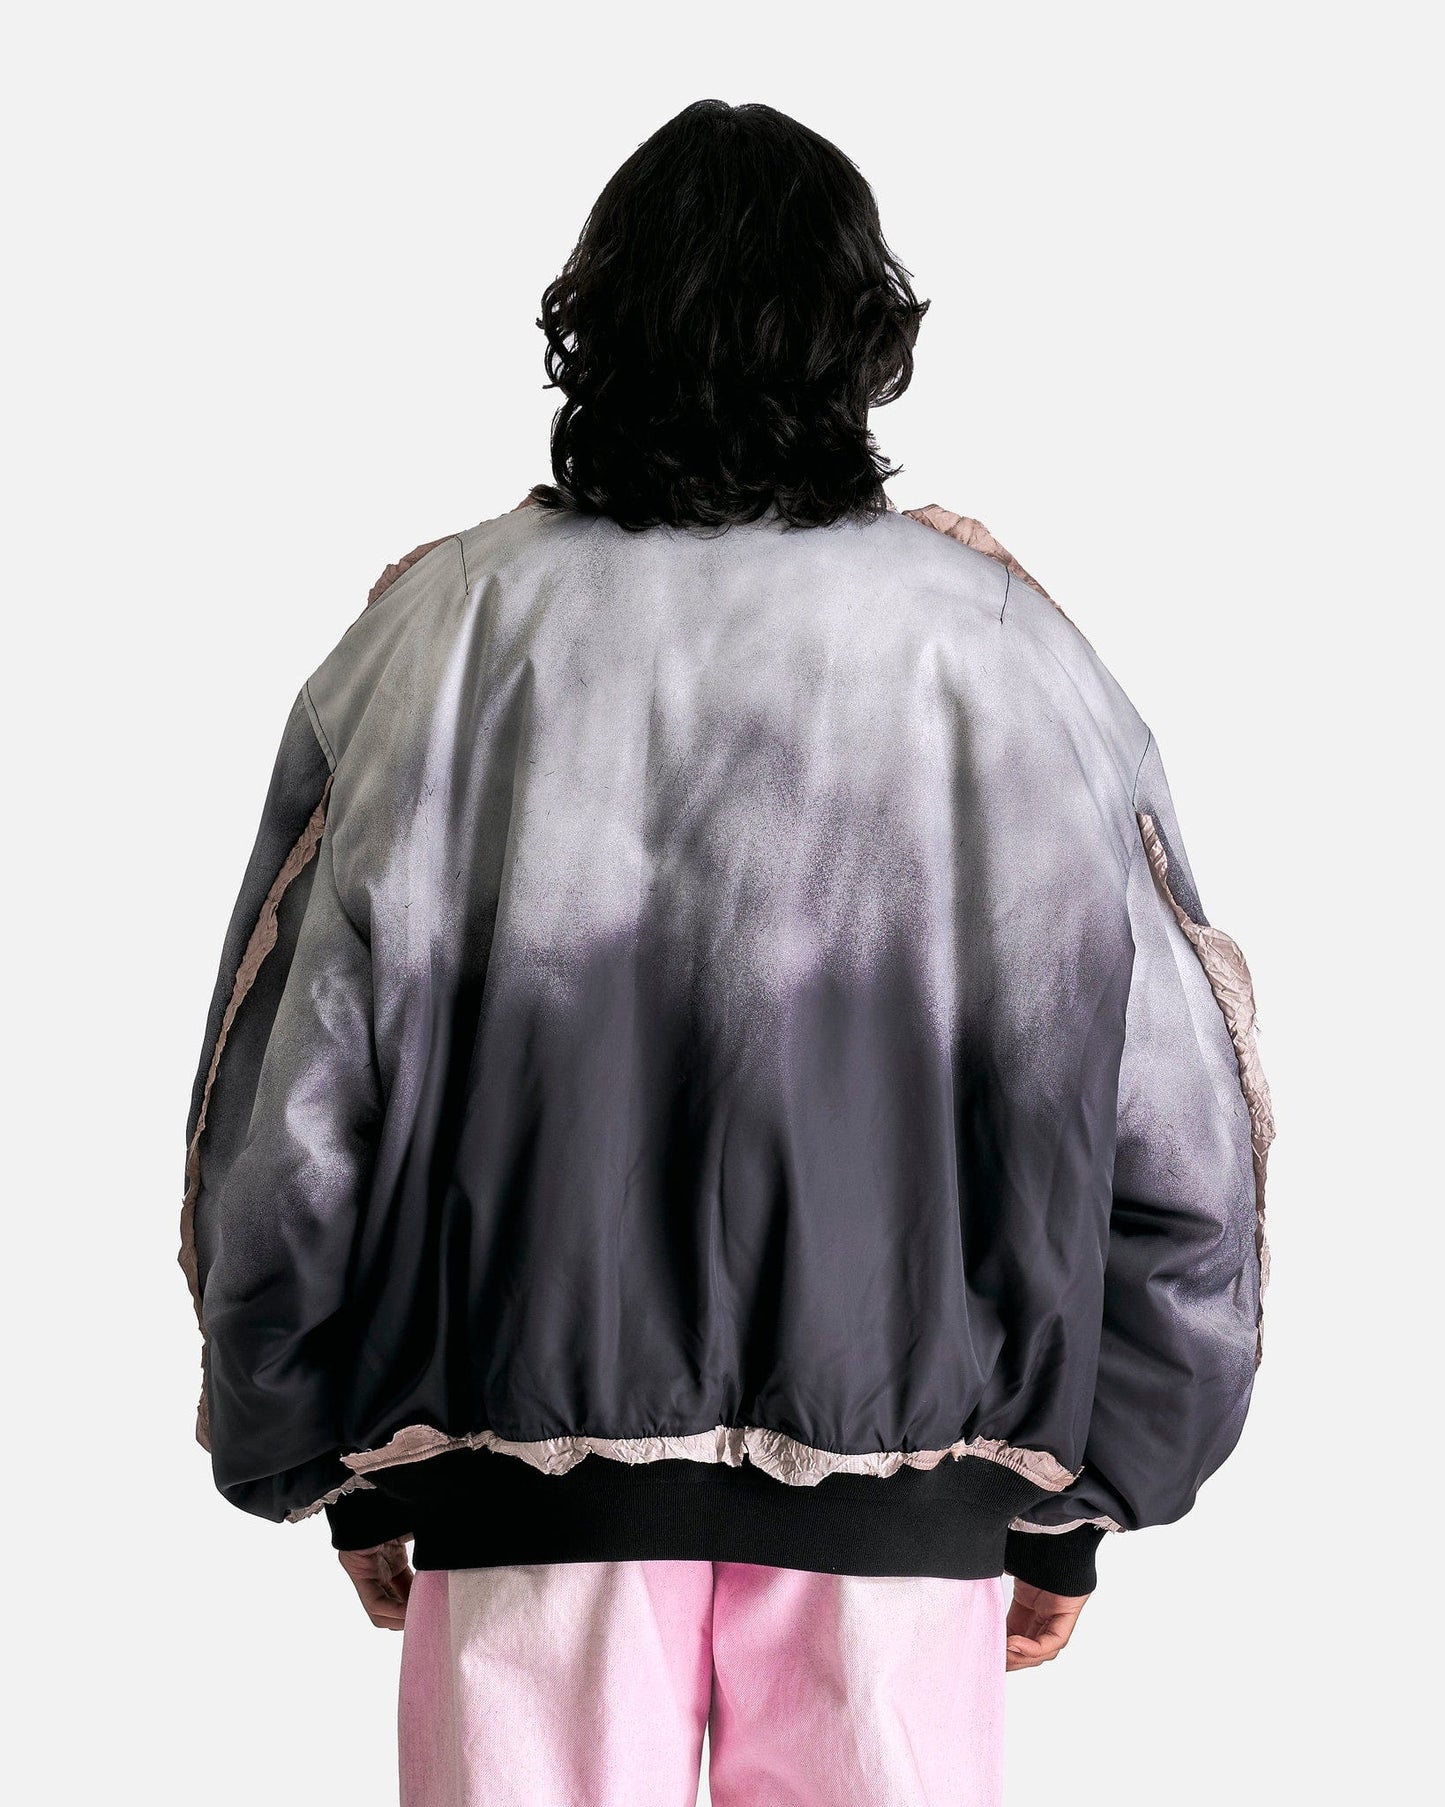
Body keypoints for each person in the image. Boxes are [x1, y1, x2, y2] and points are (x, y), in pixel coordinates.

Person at [179, 99, 1272, 1807]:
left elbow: (284, 1120)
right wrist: (1082, 1498)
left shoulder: (434, 638)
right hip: (902, 1511)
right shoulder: (1005, 655)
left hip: (520, 1489)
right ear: (862, 337)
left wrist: (337, 1452)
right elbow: (1175, 1133)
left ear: (594, 321)